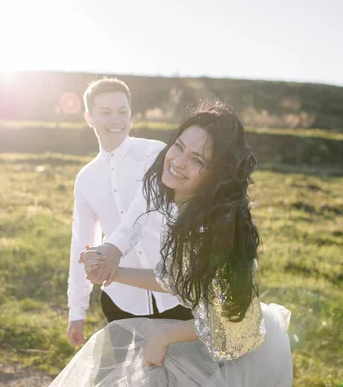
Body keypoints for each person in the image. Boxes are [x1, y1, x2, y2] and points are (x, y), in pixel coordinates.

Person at [50, 101, 293, 386]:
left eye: (197, 160)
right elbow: (177, 279)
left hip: (230, 356)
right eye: (178, 147)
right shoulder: (186, 208)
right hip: (203, 339)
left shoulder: (212, 229)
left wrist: (165, 336)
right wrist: (113, 273)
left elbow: (229, 323)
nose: (177, 161)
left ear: (218, 174)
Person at [66, 78, 192, 348]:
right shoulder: (86, 179)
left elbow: (145, 206)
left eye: (122, 111)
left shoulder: (155, 153)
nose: (116, 120)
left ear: (130, 114)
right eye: (106, 112)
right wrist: (76, 311)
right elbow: (81, 242)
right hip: (121, 302)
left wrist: (113, 248)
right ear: (89, 118)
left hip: (176, 293)